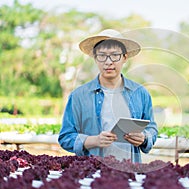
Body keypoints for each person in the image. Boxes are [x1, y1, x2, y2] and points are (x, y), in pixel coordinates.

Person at [58, 29, 158, 163]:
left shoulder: (140, 93)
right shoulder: (78, 96)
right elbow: (65, 137)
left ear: (124, 57)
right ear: (95, 58)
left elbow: (151, 128)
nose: (108, 62)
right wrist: (93, 140)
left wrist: (144, 138)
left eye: (115, 55)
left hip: (130, 169)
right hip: (91, 172)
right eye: (102, 55)